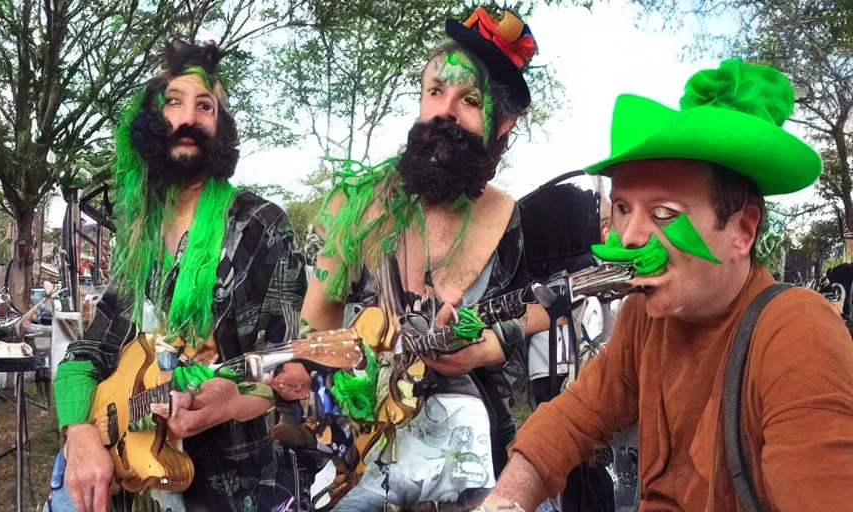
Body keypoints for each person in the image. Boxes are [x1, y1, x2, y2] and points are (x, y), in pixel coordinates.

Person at [481, 59, 853, 511]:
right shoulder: (645, 317)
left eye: (664, 214)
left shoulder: (797, 333)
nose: (631, 236)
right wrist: (504, 500)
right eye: (622, 208)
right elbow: (576, 415)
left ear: (742, 231)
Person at [302, 8, 553, 509]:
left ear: (500, 122)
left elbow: (538, 310)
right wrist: (336, 415)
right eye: (434, 92)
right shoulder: (354, 207)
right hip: (364, 448)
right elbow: (314, 328)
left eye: (469, 100)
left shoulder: (506, 216)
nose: (445, 111)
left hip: (479, 453)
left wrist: (482, 349)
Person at [47, 38, 310, 512]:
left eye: (205, 106)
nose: (188, 117)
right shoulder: (141, 236)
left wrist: (229, 400)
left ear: (221, 129)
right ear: (151, 124)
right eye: (174, 102)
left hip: (233, 485)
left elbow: (281, 366)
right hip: (134, 479)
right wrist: (79, 431)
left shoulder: (261, 226)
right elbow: (91, 347)